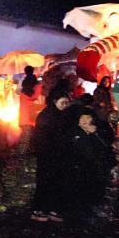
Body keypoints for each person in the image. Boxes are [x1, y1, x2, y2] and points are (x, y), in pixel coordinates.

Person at [64, 108, 116, 217]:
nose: (84, 120)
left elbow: (107, 145)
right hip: (79, 168)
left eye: (87, 117)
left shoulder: (99, 131)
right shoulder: (73, 132)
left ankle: (94, 208)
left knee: (95, 190)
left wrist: (95, 133)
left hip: (96, 168)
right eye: (82, 118)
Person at [29, 89, 71, 222]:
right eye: (62, 103)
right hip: (47, 155)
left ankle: (53, 209)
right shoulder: (46, 116)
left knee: (56, 182)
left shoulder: (62, 115)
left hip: (58, 155)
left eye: (67, 103)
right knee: (45, 182)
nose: (65, 106)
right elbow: (41, 137)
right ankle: (39, 210)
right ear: (54, 101)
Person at [18, 65, 43, 154]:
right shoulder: (36, 86)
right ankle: (22, 154)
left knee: (26, 136)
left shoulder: (24, 86)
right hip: (32, 116)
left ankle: (22, 153)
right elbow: (37, 99)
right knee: (28, 136)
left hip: (25, 116)